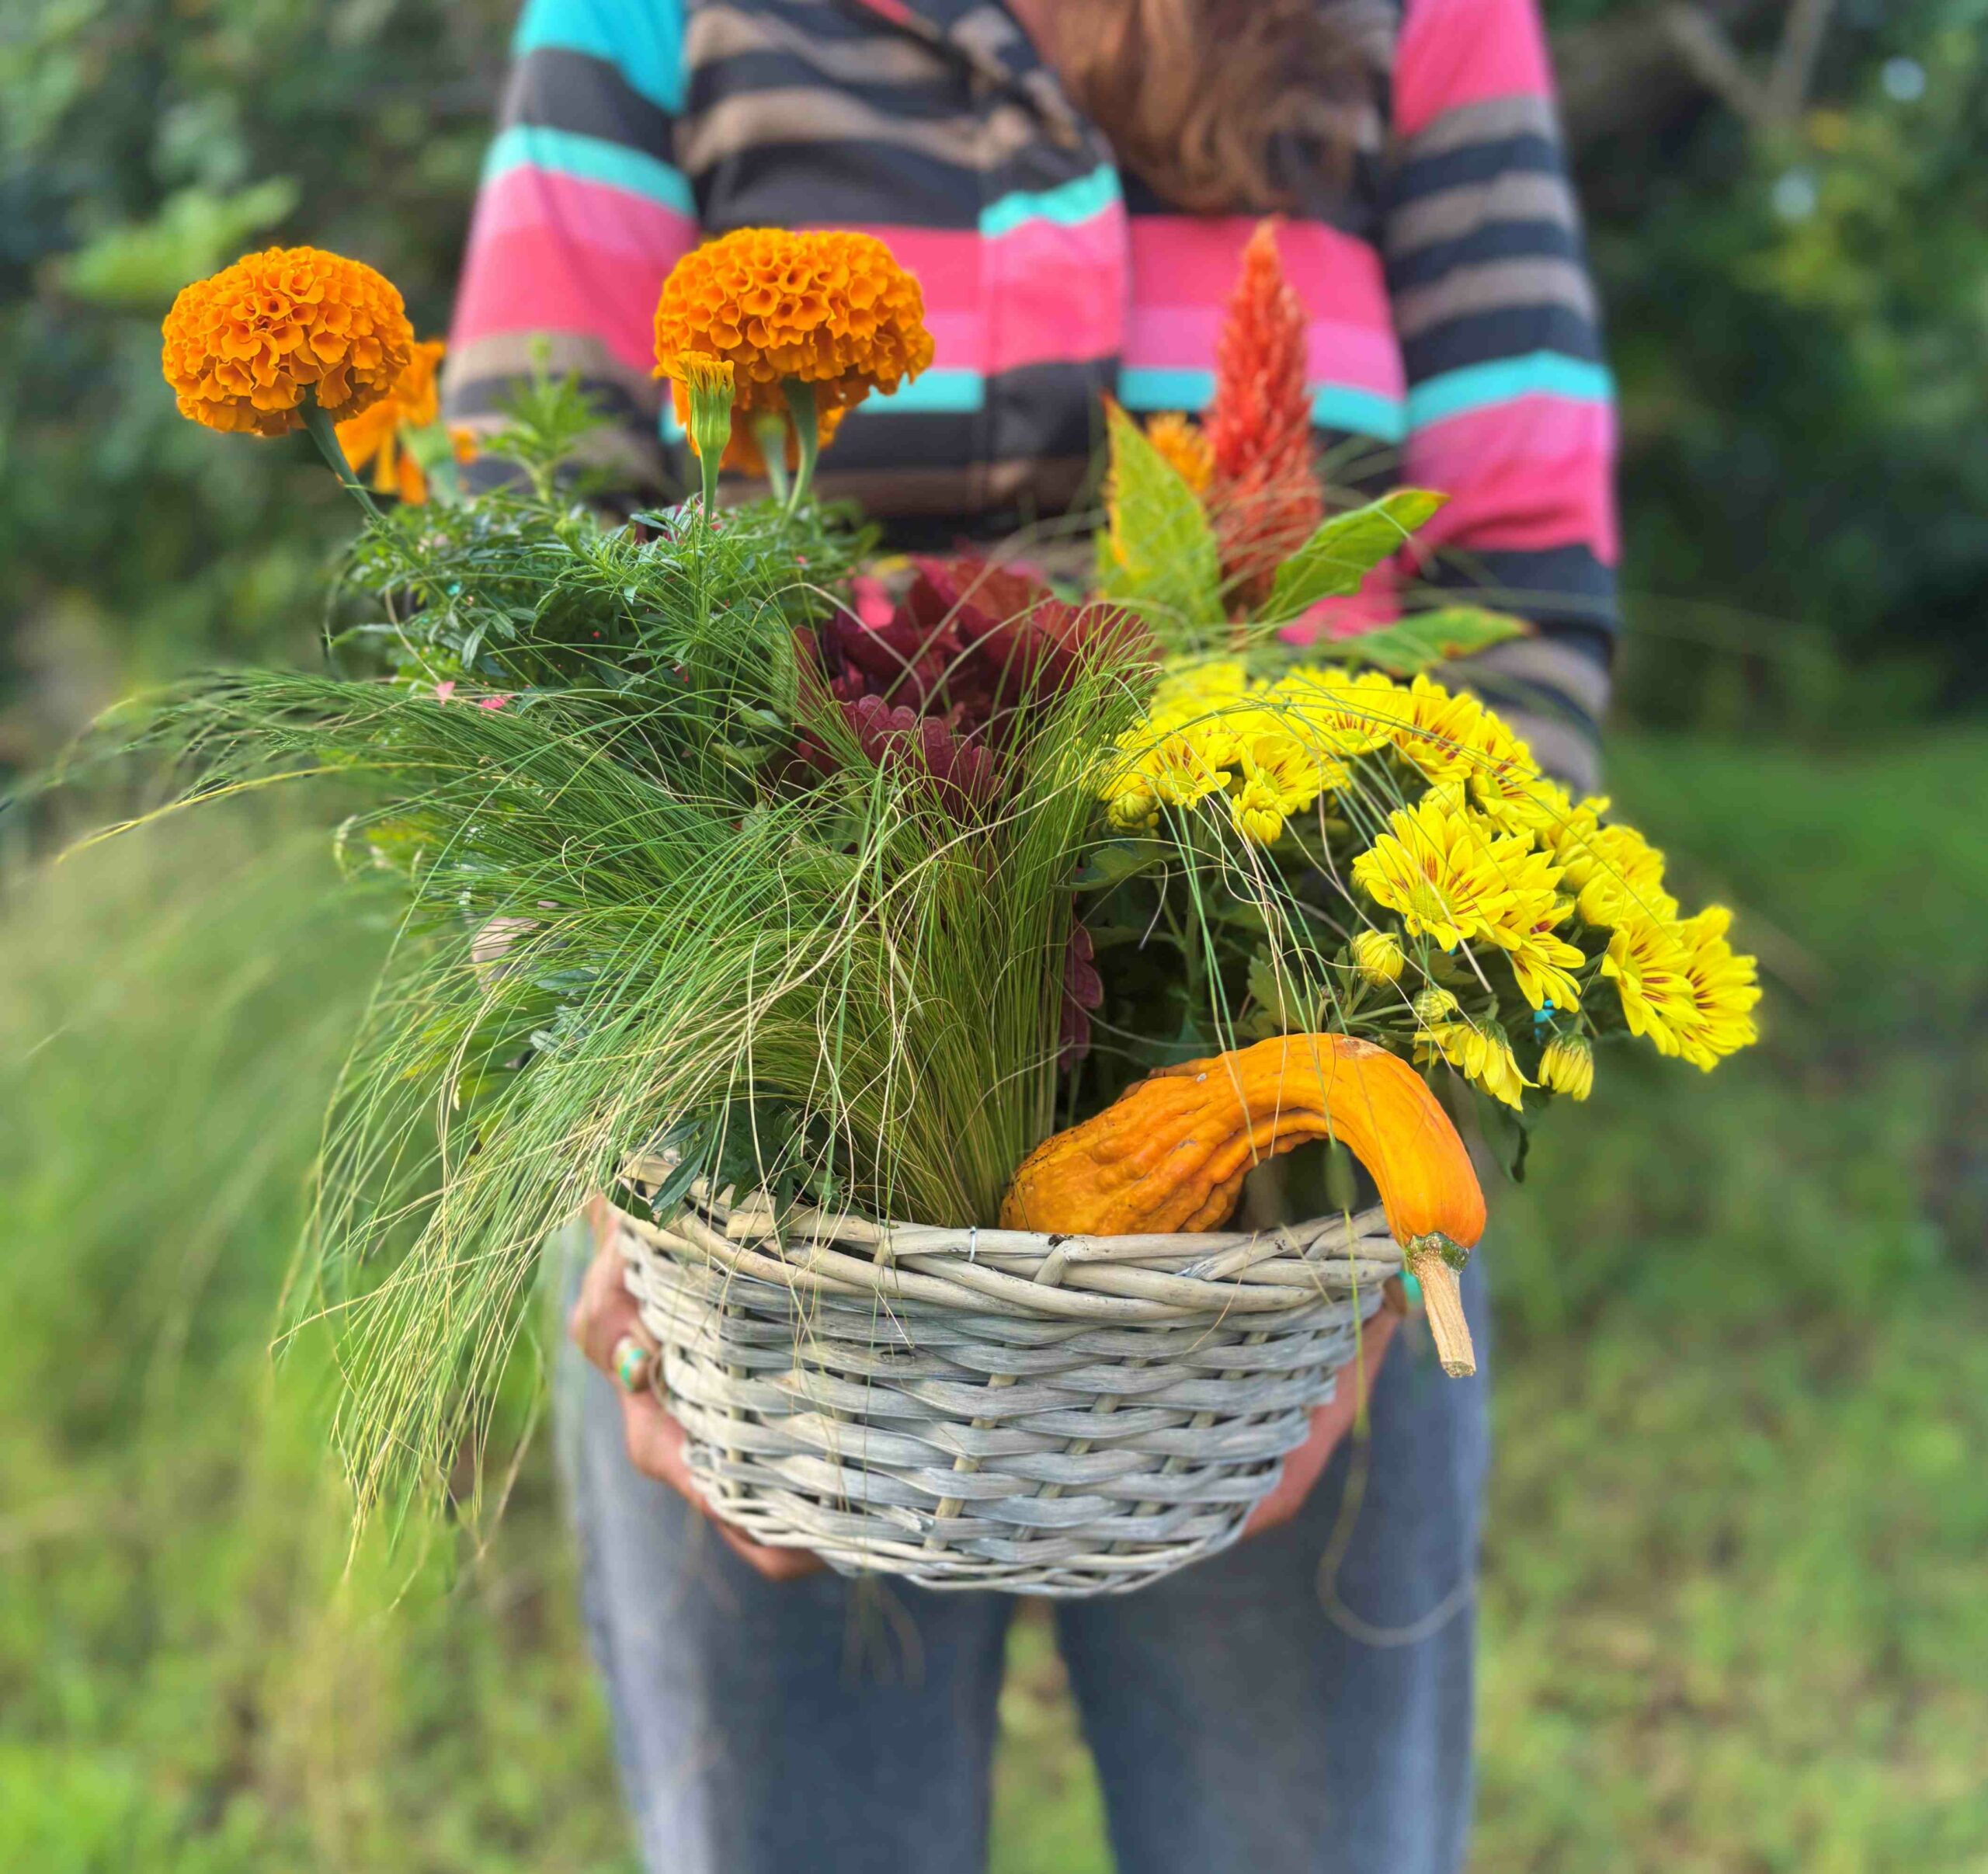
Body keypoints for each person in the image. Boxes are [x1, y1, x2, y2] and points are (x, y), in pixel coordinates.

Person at [443, 2, 1616, 1869]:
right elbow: (517, 569)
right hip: (756, 1184)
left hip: (1279, 1217)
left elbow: (1524, 589)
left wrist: (1376, 1160)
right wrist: (625, 1150)